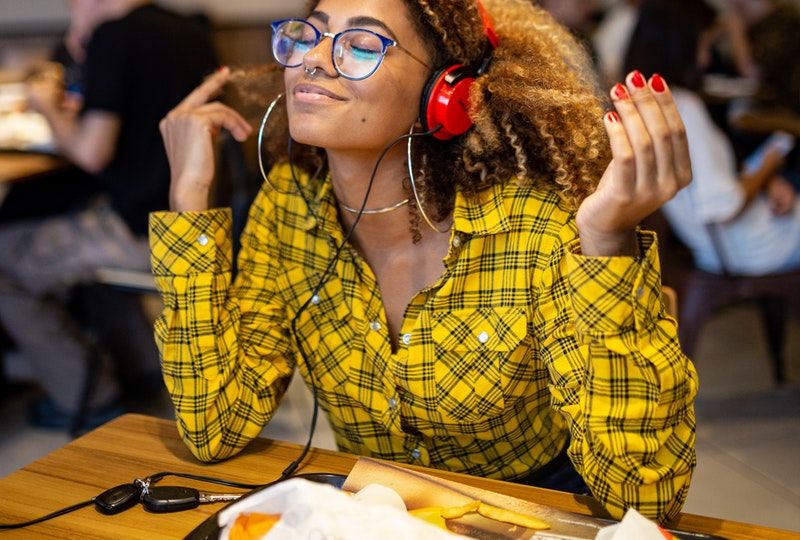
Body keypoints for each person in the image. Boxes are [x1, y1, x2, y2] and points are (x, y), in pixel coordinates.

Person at [152, 0, 697, 522]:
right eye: (308, 35)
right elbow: (212, 427)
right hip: (375, 516)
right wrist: (188, 199)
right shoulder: (288, 206)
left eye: (361, 45)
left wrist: (606, 242)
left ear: (447, 95)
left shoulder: (531, 224)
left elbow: (643, 500)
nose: (314, 58)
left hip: (527, 515)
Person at [0, 0, 218, 429]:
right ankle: (139, 369)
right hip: (190, 221)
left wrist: (46, 107)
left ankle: (91, 396)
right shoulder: (187, 30)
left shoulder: (114, 35)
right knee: (66, 241)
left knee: (3, 262)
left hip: (139, 229)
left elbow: (91, 152)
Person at [624, 0, 800, 276]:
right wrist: (770, 163)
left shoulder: (646, 105)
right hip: (749, 245)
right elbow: (724, 207)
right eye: (704, 46)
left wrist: (768, 180)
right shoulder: (684, 108)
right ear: (680, 45)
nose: (706, 59)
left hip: (713, 246)